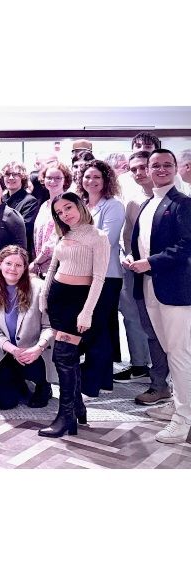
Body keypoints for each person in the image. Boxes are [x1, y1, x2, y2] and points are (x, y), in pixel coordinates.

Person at [124, 149, 191, 444]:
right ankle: (178, 404)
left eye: (167, 165)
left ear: (175, 168)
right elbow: (141, 242)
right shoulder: (148, 203)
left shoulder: (183, 203)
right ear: (148, 170)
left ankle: (184, 420)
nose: (161, 169)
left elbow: (187, 245)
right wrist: (132, 257)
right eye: (156, 165)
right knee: (167, 348)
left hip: (175, 289)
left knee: (179, 353)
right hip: (149, 286)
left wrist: (150, 262)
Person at [38, 192, 110, 438]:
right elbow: (52, 268)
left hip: (79, 302)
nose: (64, 214)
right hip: (58, 299)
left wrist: (86, 312)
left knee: (63, 357)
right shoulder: (64, 234)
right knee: (66, 359)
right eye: (59, 212)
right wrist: (44, 295)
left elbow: (99, 278)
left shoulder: (98, 237)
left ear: (80, 205)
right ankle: (77, 408)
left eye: (68, 208)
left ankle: (65, 416)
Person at [117, 151, 171, 405]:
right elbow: (129, 238)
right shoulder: (135, 202)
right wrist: (128, 256)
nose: (139, 173)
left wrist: (152, 262)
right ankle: (159, 384)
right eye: (134, 169)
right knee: (150, 331)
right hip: (140, 276)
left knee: (175, 337)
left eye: (143, 167)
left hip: (170, 278)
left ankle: (179, 394)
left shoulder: (178, 200)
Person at [77, 159, 125, 398]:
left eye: (97, 177)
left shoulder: (113, 205)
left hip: (107, 275)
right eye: (87, 177)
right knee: (97, 328)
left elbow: (106, 240)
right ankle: (103, 380)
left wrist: (76, 241)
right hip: (84, 274)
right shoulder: (82, 204)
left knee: (98, 328)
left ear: (106, 180)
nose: (91, 181)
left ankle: (92, 383)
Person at [0, 245, 53, 409]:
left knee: (36, 398)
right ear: (0, 264)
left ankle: (43, 385)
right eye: (8, 263)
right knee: (4, 403)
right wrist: (14, 350)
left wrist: (37, 348)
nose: (13, 269)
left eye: (18, 265)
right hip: (8, 352)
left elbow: (49, 326)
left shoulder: (39, 288)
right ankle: (19, 382)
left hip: (35, 351)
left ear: (25, 267)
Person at [31, 162, 71, 277]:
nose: (53, 181)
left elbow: (55, 241)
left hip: (59, 267)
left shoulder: (68, 205)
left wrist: (36, 262)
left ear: (65, 180)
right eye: (49, 178)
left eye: (58, 178)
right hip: (42, 269)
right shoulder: (44, 205)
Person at [1, 160, 39, 258]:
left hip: (18, 254)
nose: (11, 177)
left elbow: (24, 230)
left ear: (22, 177)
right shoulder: (1, 199)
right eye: (7, 174)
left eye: (15, 174)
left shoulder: (30, 201)